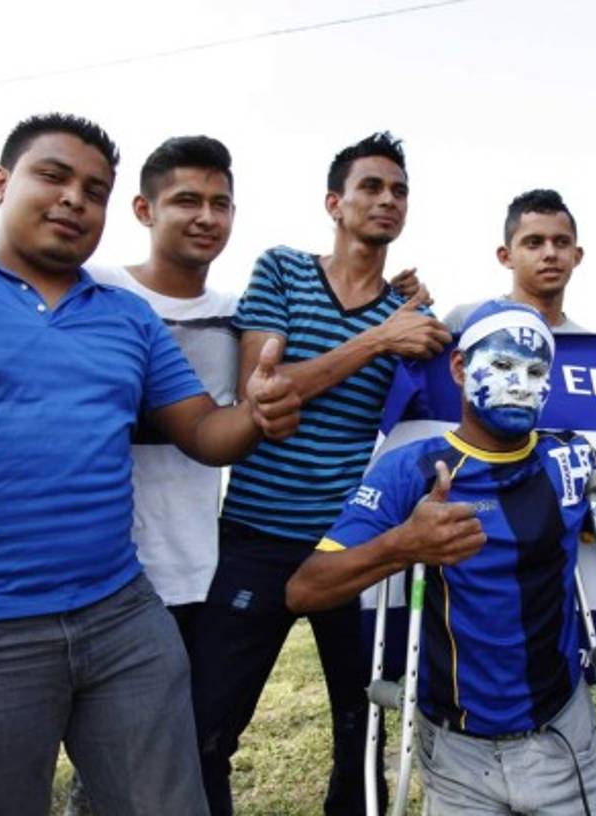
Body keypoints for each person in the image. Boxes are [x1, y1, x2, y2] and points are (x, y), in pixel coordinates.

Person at [0, 113, 299, 815]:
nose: (75, 199)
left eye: (95, 188)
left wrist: (257, 416)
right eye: (52, 176)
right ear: (0, 182)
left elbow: (203, 431)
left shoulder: (126, 314)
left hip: (121, 616)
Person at [286, 299, 596, 815]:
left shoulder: (570, 461)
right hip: (456, 752)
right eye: (502, 366)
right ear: (460, 369)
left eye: (535, 371)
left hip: (560, 737)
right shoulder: (411, 470)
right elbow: (305, 589)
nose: (520, 384)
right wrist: (404, 545)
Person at [189, 131, 452, 816]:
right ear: (335, 203)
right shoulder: (281, 270)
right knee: (207, 729)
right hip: (254, 534)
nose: (386, 200)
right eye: (371, 187)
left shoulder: (414, 314)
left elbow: (459, 381)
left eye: (398, 190)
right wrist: (377, 338)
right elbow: (262, 390)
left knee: (360, 734)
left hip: (350, 545)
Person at [442, 189, 588, 333]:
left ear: (577, 256)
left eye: (562, 242)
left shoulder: (589, 347)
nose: (550, 253)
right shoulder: (465, 322)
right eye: (534, 243)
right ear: (506, 257)